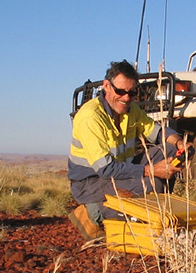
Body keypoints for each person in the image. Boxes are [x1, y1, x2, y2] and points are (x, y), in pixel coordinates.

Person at [67, 60, 186, 239]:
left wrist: (179, 143)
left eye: (131, 92)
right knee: (152, 184)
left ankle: (154, 213)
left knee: (169, 150)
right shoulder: (90, 117)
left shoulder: (131, 110)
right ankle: (94, 212)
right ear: (107, 86)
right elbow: (106, 169)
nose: (126, 98)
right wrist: (152, 171)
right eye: (120, 91)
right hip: (90, 183)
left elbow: (157, 132)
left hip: (121, 169)